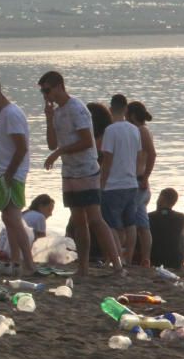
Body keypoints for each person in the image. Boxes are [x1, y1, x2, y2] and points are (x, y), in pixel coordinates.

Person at [40, 70, 123, 275]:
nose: (46, 95)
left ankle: (117, 265)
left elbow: (87, 141)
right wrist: (49, 119)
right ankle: (83, 267)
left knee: (95, 218)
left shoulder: (77, 108)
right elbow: (52, 144)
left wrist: (60, 152)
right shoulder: (58, 113)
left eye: (47, 90)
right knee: (78, 221)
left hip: (86, 169)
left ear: (59, 86)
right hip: (69, 172)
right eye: (42, 92)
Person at [0, 76, 33, 272]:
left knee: (14, 218)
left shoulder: (11, 113)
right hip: (4, 171)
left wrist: (10, 173)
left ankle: (29, 263)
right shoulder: (3, 114)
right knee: (8, 218)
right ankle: (14, 262)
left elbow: (21, 148)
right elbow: (10, 145)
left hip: (13, 174)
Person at [100, 94, 143, 264]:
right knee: (130, 223)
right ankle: (129, 258)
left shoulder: (110, 130)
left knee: (111, 224)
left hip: (113, 184)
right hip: (131, 182)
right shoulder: (135, 130)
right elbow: (139, 157)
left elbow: (107, 159)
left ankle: (117, 258)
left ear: (111, 109)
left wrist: (102, 181)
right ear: (126, 109)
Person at [128, 100, 155, 266]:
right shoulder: (138, 130)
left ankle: (143, 258)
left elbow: (152, 154)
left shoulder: (142, 130)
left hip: (140, 182)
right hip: (137, 182)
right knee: (140, 222)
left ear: (131, 115)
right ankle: (144, 258)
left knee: (136, 223)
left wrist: (145, 177)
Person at [148, 188, 184, 270]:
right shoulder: (182, 217)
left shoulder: (149, 217)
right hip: (175, 261)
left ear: (161, 198)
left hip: (154, 260)